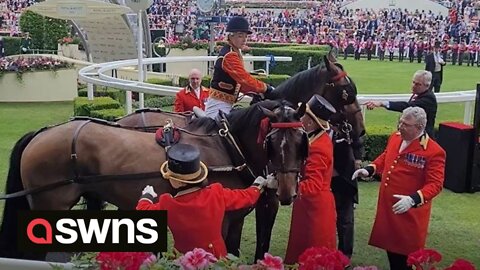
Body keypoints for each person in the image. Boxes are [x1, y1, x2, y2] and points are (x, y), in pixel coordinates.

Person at [136, 143, 275, 258]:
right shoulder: (216, 194)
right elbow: (246, 197)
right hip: (217, 259)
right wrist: (257, 185)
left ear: (177, 183)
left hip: (184, 261)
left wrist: (146, 196)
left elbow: (143, 211)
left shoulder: (168, 204)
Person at [352, 107, 445, 270]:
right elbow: (387, 156)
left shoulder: (434, 151)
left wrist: (413, 199)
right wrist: (370, 169)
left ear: (419, 127)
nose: (400, 126)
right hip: (389, 209)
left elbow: (436, 184)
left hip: (410, 214)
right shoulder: (395, 138)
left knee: (407, 260)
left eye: (406, 124)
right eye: (400, 121)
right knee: (392, 254)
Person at [284, 95, 337, 264]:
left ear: (310, 122)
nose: (300, 118)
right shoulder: (312, 138)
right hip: (307, 205)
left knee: (315, 257)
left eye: (304, 115)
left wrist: (286, 186)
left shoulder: (319, 147)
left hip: (315, 209)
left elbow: (313, 185)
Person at [205, 16, 274, 119]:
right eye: (240, 36)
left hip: (228, 103)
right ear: (231, 36)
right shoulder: (229, 55)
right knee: (219, 132)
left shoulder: (235, 52)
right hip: (219, 105)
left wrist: (256, 93)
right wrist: (266, 88)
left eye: (246, 36)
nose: (244, 40)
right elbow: (244, 79)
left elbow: (241, 85)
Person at [364, 70, 437, 138]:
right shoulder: (418, 94)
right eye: (413, 82)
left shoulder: (429, 99)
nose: (414, 86)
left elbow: (406, 106)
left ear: (427, 86)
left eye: (418, 84)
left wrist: (382, 103)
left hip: (423, 139)